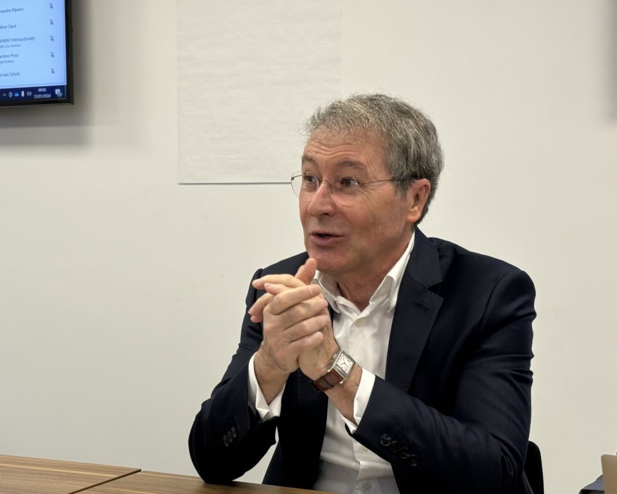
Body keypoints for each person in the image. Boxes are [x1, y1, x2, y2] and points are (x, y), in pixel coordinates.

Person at [188, 94, 536, 494]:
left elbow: (494, 472)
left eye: (347, 182)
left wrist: (335, 371)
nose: (318, 204)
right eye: (310, 179)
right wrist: (269, 365)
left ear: (415, 199)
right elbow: (213, 461)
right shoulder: (281, 286)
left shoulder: (487, 293)